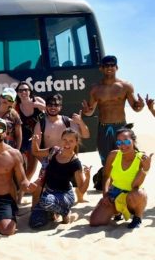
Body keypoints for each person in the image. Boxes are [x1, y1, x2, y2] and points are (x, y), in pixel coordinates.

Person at [82, 55, 144, 188]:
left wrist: (140, 105)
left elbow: (135, 107)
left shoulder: (125, 86)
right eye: (106, 66)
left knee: (125, 156)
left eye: (112, 65)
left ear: (117, 67)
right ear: (101, 68)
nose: (109, 68)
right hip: (103, 127)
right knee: (106, 160)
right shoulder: (95, 88)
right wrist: (87, 111)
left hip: (121, 127)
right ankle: (108, 188)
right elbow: (90, 111)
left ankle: (125, 185)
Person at [31, 93, 90, 204]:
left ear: (60, 107)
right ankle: (37, 208)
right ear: (46, 106)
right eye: (50, 105)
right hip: (50, 159)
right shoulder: (41, 124)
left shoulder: (67, 121)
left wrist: (80, 122)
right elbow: (36, 150)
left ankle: (80, 197)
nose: (53, 107)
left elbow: (86, 135)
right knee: (39, 189)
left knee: (78, 179)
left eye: (56, 105)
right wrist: (45, 162)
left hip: (69, 159)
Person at [89, 128, 151, 229]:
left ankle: (137, 217)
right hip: (114, 193)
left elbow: (134, 185)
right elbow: (106, 176)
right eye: (119, 142)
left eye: (126, 141)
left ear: (133, 141)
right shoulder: (113, 155)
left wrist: (145, 169)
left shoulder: (142, 158)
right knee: (95, 221)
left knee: (139, 193)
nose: (123, 145)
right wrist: (105, 195)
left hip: (132, 196)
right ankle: (118, 212)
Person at [29, 129, 89, 228]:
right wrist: (35, 141)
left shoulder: (75, 163)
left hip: (65, 195)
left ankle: (65, 212)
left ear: (76, 143)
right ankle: (52, 212)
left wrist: (88, 177)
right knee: (35, 223)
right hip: (48, 192)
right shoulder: (54, 151)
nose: (67, 143)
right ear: (61, 140)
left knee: (46, 201)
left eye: (71, 141)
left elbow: (82, 189)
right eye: (64, 140)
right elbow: (36, 152)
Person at [15, 81, 46, 180]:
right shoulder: (16, 106)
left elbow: (52, 112)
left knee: (45, 162)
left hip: (41, 136)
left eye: (25, 90)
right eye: (20, 90)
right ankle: (24, 183)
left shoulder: (37, 100)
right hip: (25, 138)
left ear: (30, 91)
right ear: (17, 93)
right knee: (21, 164)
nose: (23, 92)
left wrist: (40, 106)